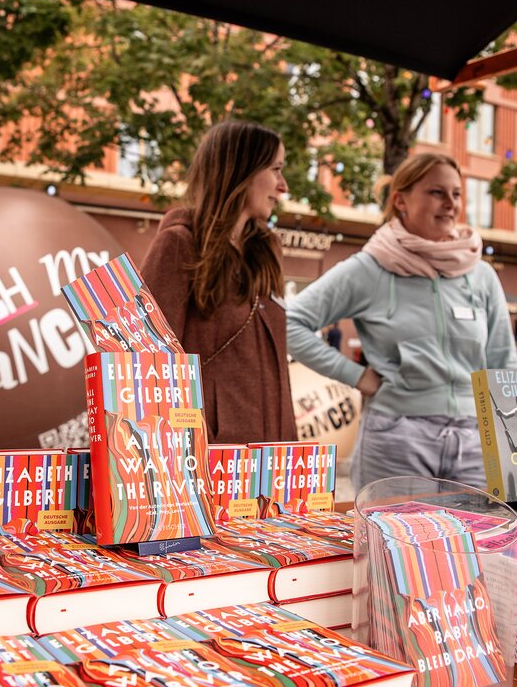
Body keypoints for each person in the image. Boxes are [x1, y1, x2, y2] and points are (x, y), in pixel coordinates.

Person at [286, 151, 517, 492]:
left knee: (472, 546)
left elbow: (502, 362)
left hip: (475, 445)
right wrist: (357, 376)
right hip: (396, 441)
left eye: (456, 194)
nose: (450, 203)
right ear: (401, 200)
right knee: (394, 545)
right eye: (436, 192)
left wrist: (507, 447)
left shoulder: (479, 274)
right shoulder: (370, 269)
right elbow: (291, 322)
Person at [140, 120, 297, 443]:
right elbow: (150, 366)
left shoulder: (266, 251)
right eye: (275, 169)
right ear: (241, 171)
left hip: (273, 456)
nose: (282, 185)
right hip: (208, 458)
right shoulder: (179, 244)